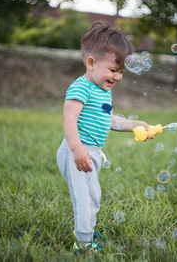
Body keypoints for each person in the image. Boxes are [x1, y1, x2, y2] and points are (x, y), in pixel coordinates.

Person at [56, 21, 154, 253]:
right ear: (91, 63)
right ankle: (84, 242)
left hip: (92, 152)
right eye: (113, 70)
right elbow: (69, 119)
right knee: (85, 199)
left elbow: (109, 121)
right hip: (78, 151)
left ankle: (88, 229)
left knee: (94, 196)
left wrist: (133, 125)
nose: (118, 77)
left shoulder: (102, 91)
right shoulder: (81, 88)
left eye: (121, 72)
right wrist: (77, 149)